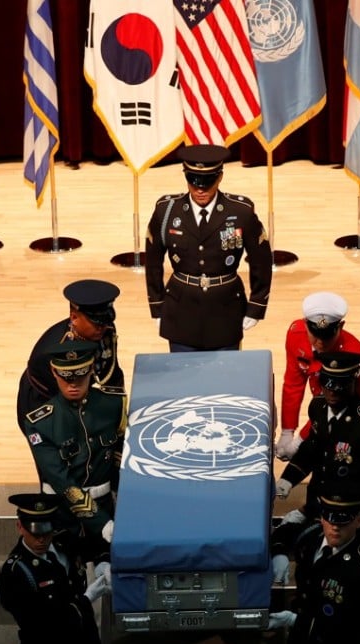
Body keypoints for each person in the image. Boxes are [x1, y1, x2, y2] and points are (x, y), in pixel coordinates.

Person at [144, 144, 273, 352]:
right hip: (181, 311)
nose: (200, 189)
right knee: (184, 379)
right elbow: (152, 262)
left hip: (225, 310)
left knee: (223, 380)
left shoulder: (240, 211)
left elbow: (262, 260)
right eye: (193, 181)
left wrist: (257, 305)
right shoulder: (167, 211)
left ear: (220, 177)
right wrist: (156, 306)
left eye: (207, 181)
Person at [275, 351, 360, 556]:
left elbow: (359, 482)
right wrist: (288, 479)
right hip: (324, 511)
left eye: (339, 385)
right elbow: (312, 449)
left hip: (354, 521)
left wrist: (310, 510)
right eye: (327, 382)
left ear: (353, 383)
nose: (332, 391)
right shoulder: (319, 407)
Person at [268, 485, 360, 644]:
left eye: (343, 521)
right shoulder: (310, 539)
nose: (334, 527)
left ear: (359, 520)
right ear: (321, 517)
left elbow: (353, 629)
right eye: (329, 518)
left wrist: (296, 621)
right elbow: (282, 532)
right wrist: (279, 552)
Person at [0, 493, 111, 644]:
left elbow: (98, 545)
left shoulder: (61, 542)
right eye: (35, 532)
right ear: (20, 527)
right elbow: (45, 627)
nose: (41, 539)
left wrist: (103, 563)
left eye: (46, 531)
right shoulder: (15, 572)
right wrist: (86, 599)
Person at [22, 340, 125, 544]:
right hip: (62, 515)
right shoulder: (40, 423)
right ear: (54, 372)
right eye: (66, 377)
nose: (73, 384)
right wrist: (102, 523)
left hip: (105, 504)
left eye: (80, 375)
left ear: (91, 369)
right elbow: (62, 482)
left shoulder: (114, 405)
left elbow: (120, 459)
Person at [277, 291, 360, 461]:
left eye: (327, 336)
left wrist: (299, 441)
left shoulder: (352, 358)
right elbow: (293, 385)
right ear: (305, 324)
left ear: (341, 326)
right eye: (315, 335)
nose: (320, 343)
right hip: (330, 409)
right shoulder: (296, 335)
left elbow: (330, 405)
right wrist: (287, 431)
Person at [16, 279, 123, 435]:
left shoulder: (104, 330)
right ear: (74, 318)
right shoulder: (58, 351)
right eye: (96, 323)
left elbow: (111, 373)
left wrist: (118, 413)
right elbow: (67, 402)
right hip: (44, 402)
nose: (102, 327)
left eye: (105, 321)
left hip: (78, 395)